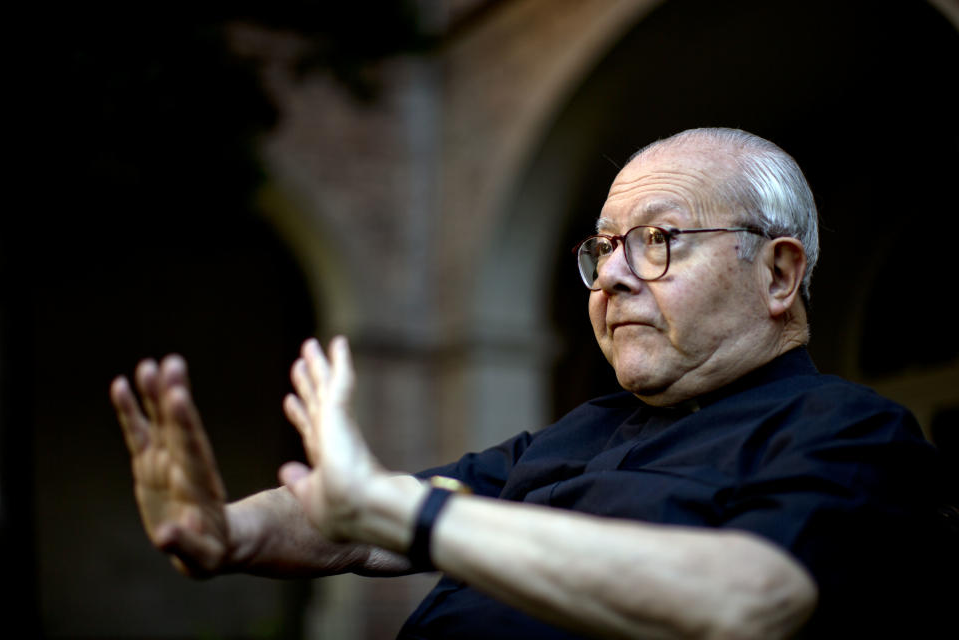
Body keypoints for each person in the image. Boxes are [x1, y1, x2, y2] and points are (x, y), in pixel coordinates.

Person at [112, 128, 954, 639]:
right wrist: (226, 533)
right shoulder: (571, 434)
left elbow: (755, 600)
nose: (611, 279)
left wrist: (409, 515)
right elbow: (354, 524)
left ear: (778, 274)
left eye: (658, 240)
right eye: (603, 248)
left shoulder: (849, 431)